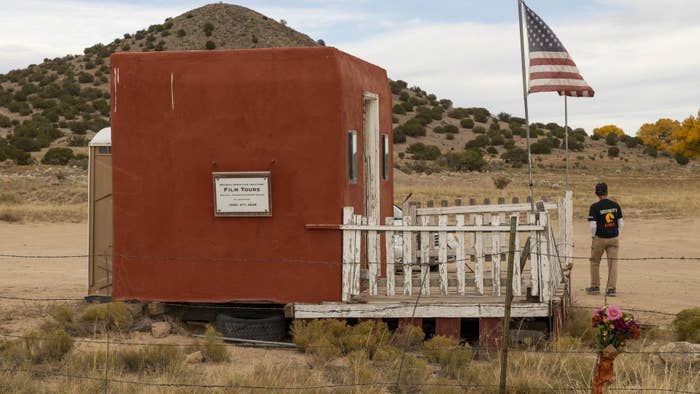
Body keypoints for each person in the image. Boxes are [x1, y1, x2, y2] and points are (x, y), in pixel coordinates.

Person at [586, 183, 624, 297]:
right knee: (613, 264)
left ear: (596, 193)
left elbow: (593, 225)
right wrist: (616, 233)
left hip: (600, 238)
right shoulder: (615, 205)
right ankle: (611, 288)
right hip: (613, 238)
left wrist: (594, 236)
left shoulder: (594, 207)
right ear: (607, 192)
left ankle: (595, 286)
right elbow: (621, 223)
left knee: (594, 262)